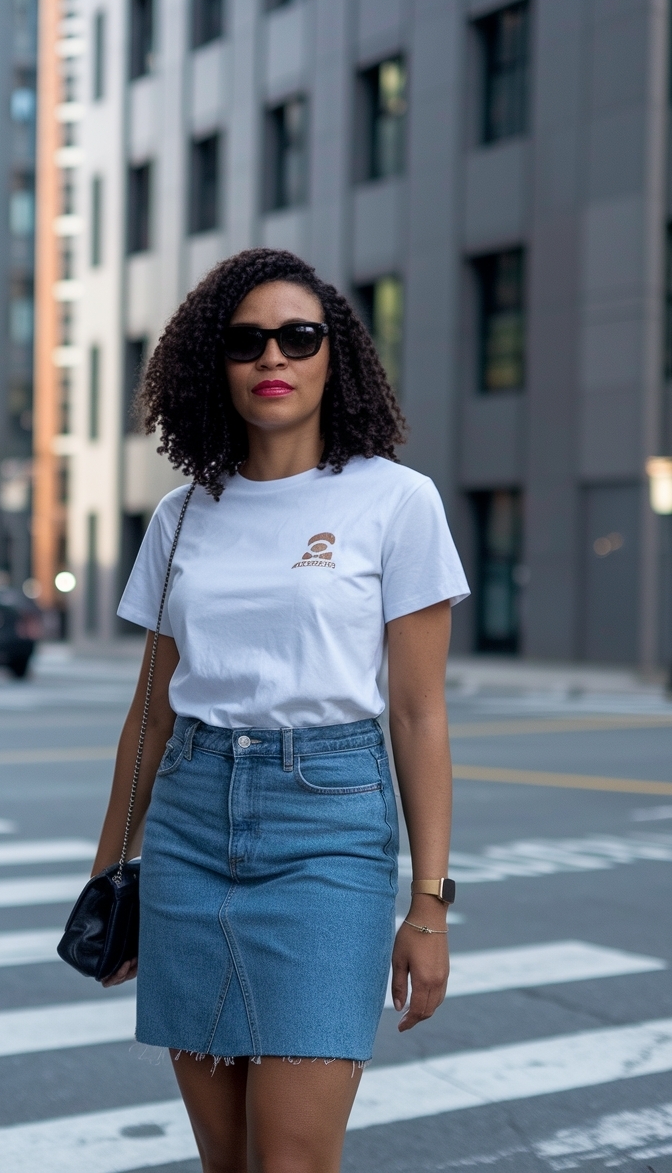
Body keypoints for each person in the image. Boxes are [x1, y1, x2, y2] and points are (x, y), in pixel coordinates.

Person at [91, 248, 469, 1173]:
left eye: (298, 337)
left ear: (333, 356)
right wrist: (109, 876)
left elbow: (419, 718)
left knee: (291, 1159)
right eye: (246, 341)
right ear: (212, 366)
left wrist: (428, 905)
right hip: (187, 831)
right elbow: (151, 716)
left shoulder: (395, 501)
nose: (274, 357)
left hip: (328, 828)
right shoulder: (182, 516)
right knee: (227, 1161)